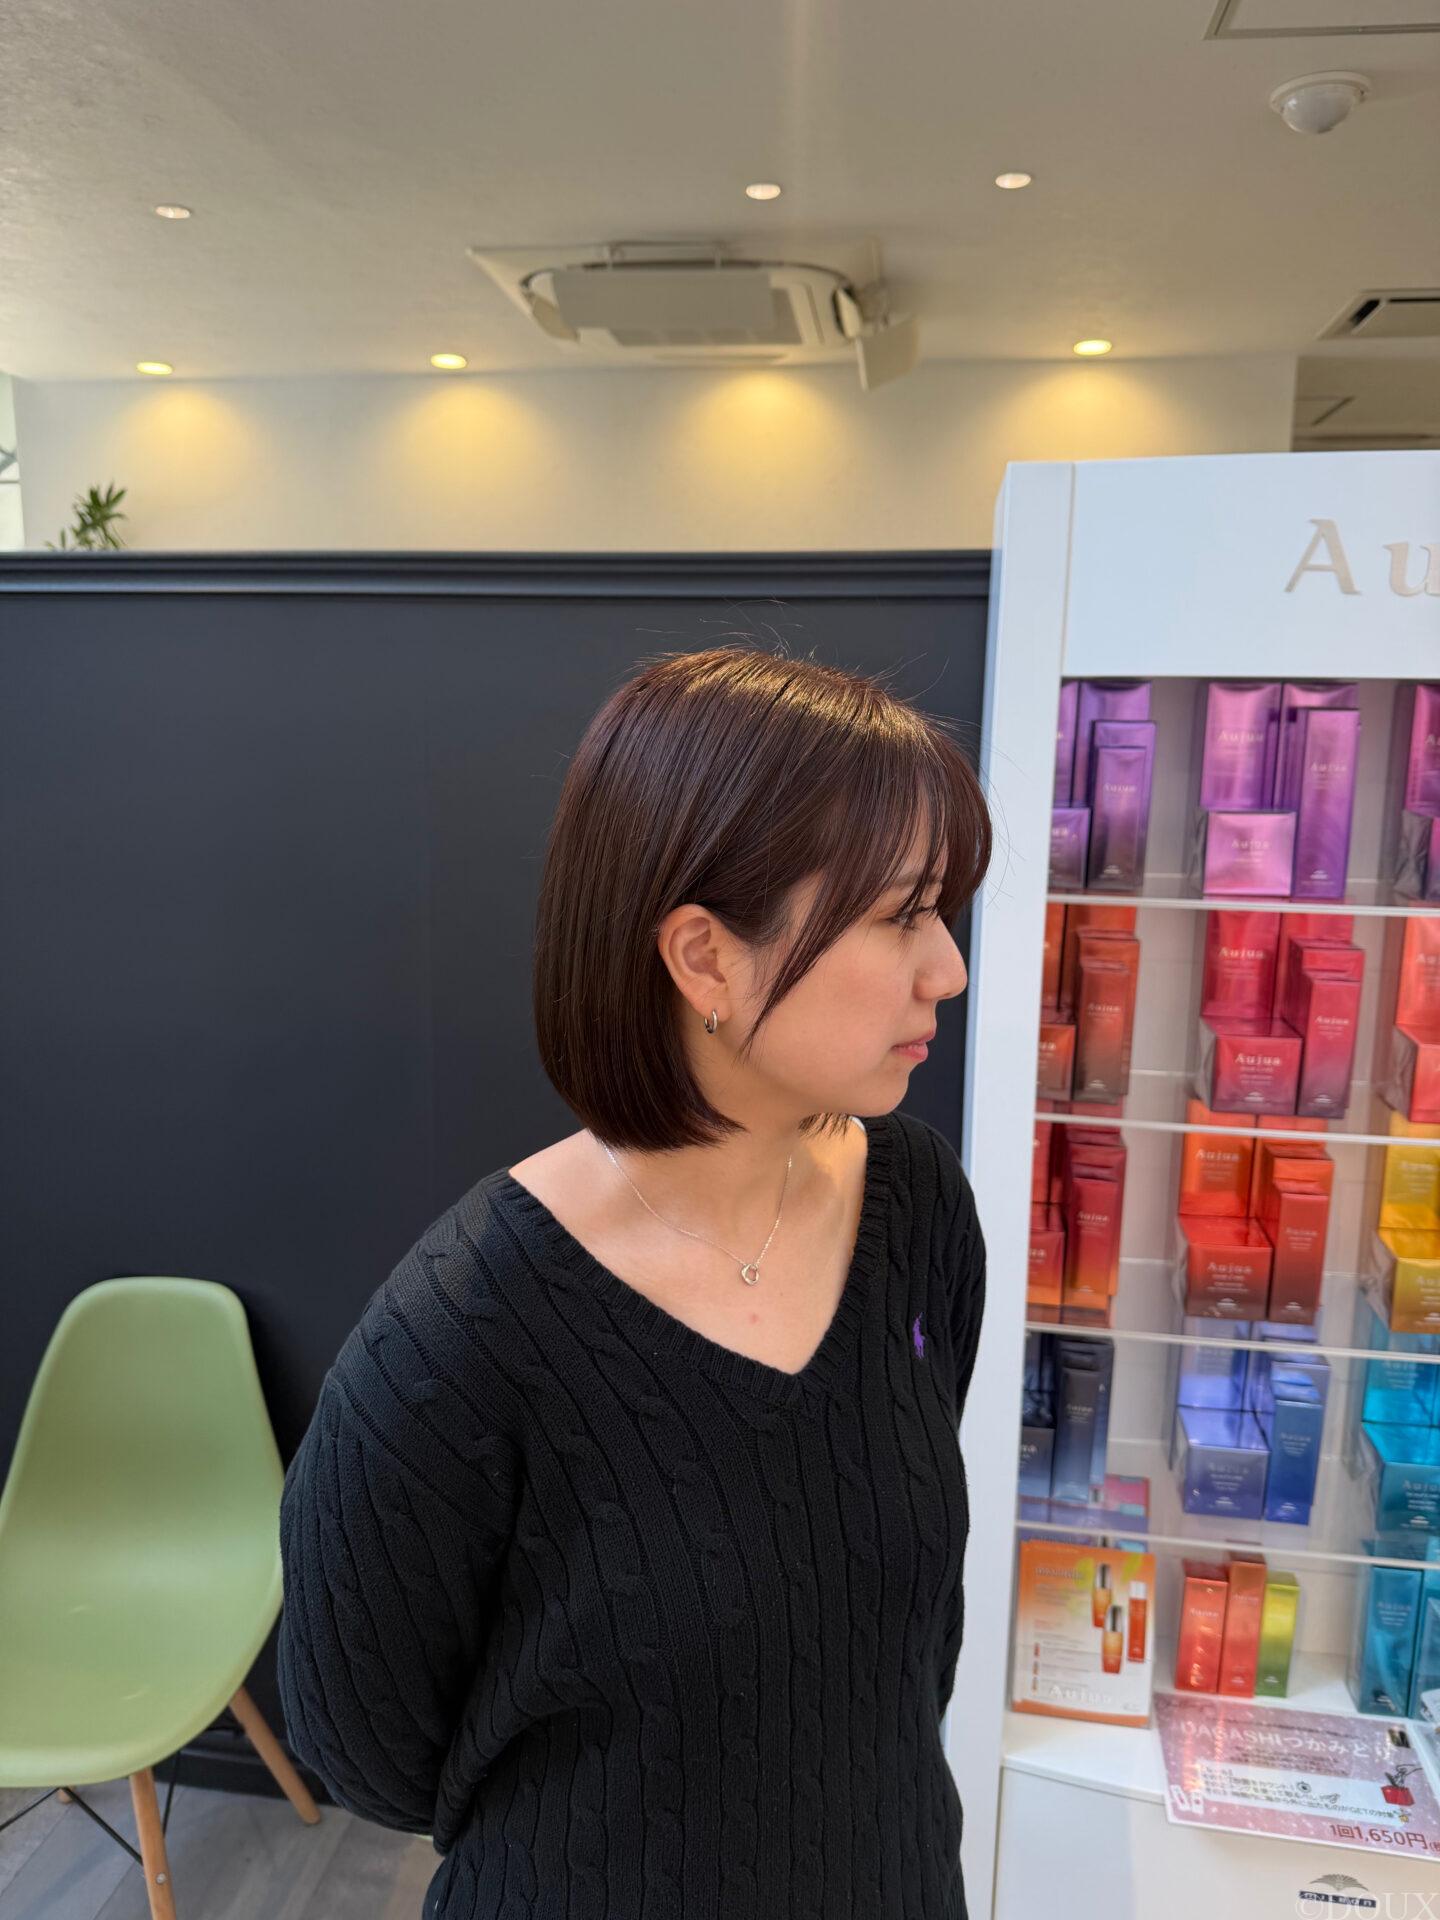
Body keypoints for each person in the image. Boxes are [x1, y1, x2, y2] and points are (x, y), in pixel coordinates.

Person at [276, 641, 992, 1919]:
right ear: (705, 958)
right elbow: (368, 1747)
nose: (948, 968)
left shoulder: (918, 1206)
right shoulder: (459, 1337)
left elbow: (899, 1636)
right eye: (901, 915)